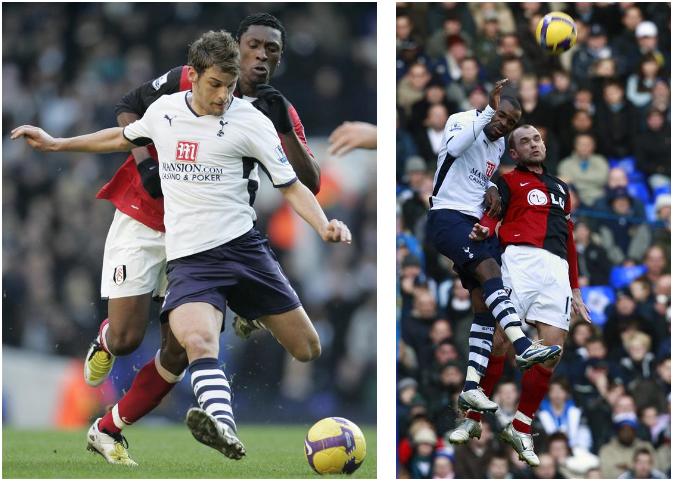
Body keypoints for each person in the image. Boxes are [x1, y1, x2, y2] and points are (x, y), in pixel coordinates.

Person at [12, 29, 351, 466]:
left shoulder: (252, 119)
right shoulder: (166, 110)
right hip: (190, 256)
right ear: (192, 76)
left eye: (230, 86)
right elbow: (122, 134)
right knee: (183, 340)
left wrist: (324, 226)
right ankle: (223, 426)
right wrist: (57, 142)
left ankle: (113, 426)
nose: (223, 95)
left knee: (308, 348)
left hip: (245, 250)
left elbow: (291, 185)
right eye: (215, 85)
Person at [447, 125, 591, 467]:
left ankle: (521, 425)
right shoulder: (508, 181)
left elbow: (569, 239)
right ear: (514, 153)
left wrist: (576, 287)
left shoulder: (561, 188)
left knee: (552, 353)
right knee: (499, 342)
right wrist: (483, 226)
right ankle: (473, 419)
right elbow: (492, 211)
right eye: (525, 141)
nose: (534, 144)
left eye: (537, 138)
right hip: (518, 261)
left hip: (556, 271)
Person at [426, 80, 562, 416]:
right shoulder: (460, 119)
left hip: (472, 226)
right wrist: (488, 111)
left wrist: (492, 187)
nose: (503, 125)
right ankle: (522, 343)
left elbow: (476, 176)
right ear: (491, 106)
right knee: (491, 273)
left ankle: (471, 386)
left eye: (510, 123)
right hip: (447, 215)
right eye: (501, 116)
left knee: (483, 304)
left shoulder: (498, 145)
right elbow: (455, 149)